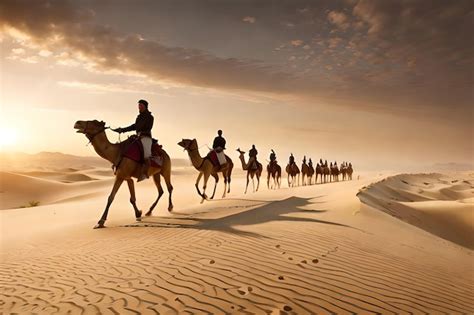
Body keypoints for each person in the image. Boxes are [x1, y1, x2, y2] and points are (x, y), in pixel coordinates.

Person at [113, 99, 154, 182]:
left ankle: (144, 173)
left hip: (146, 137)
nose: (139, 107)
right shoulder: (139, 117)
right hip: (138, 137)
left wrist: (140, 132)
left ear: (145, 107)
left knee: (146, 155)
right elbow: (134, 126)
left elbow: (148, 127)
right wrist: (122, 130)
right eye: (139, 106)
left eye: (141, 106)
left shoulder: (150, 117)